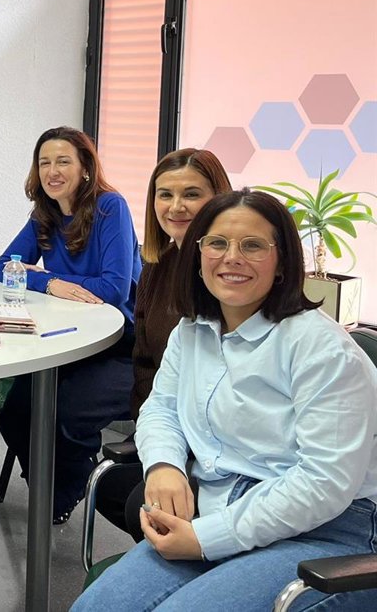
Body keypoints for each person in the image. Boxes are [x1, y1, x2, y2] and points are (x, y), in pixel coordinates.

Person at [73, 190, 377, 611]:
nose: (232, 257)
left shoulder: (321, 348)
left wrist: (206, 538)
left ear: (283, 262)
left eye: (253, 246)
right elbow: (161, 409)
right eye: (217, 243)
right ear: (198, 255)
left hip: (329, 530)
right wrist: (163, 465)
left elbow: (323, 482)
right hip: (219, 505)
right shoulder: (192, 330)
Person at [0, 126, 140, 524]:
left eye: (63, 161)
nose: (52, 171)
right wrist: (47, 282)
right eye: (44, 163)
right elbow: (1, 268)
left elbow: (113, 288)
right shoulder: (46, 214)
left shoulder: (110, 208)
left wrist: (45, 276)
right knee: (14, 413)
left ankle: (64, 493)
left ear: (85, 168)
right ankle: (52, 486)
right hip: (71, 340)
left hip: (121, 344)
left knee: (66, 414)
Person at [94, 149, 231, 540]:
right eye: (165, 194)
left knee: (141, 502)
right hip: (167, 425)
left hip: (217, 440)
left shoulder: (228, 272)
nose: (176, 206)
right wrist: (154, 438)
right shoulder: (158, 263)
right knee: (110, 487)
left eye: (192, 194)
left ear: (219, 197)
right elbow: (145, 361)